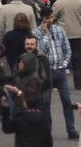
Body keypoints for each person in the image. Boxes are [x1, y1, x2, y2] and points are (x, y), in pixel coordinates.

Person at [33, 8, 78, 139]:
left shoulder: (59, 30)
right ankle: (48, 131)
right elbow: (40, 52)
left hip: (60, 71)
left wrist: (64, 65)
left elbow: (67, 49)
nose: (50, 20)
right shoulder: (36, 33)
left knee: (67, 101)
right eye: (47, 18)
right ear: (42, 19)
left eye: (51, 18)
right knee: (45, 103)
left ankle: (71, 129)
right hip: (46, 73)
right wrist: (46, 36)